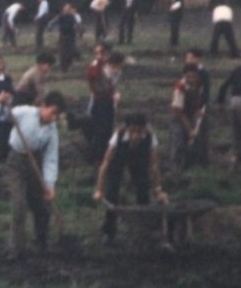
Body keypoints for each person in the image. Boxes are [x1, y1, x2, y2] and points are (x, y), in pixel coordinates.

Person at [0, 91, 66, 259]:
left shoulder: (52, 130)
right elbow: (1, 116)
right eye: (53, 112)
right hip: (16, 162)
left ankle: (42, 242)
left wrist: (49, 185)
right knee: (19, 206)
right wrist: (2, 104)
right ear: (44, 106)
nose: (54, 118)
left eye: (58, 115)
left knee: (41, 206)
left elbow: (51, 158)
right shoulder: (25, 112)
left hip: (36, 164)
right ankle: (16, 249)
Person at [93, 113, 168, 244]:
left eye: (139, 131)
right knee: (112, 193)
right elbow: (105, 163)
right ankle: (109, 232)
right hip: (118, 159)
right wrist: (99, 189)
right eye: (132, 131)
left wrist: (158, 189)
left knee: (143, 189)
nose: (135, 135)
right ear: (127, 129)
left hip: (139, 160)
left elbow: (154, 165)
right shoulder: (118, 136)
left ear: (145, 129)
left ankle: (144, 230)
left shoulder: (150, 137)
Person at [86, 44, 125, 165]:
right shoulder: (98, 68)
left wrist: (113, 93)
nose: (117, 68)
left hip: (107, 101)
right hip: (100, 101)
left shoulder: (113, 70)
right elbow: (97, 86)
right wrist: (112, 92)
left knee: (107, 128)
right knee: (100, 129)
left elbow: (111, 85)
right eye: (115, 66)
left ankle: (103, 154)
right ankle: (95, 156)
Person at [169, 64, 205, 172]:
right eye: (189, 77)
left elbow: (199, 100)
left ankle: (191, 166)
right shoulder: (180, 87)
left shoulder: (199, 84)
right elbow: (178, 111)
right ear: (184, 76)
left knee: (192, 141)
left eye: (194, 76)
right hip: (178, 117)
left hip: (190, 114)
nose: (191, 79)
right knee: (178, 142)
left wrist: (198, 110)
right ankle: (175, 167)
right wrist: (189, 129)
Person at [184, 48, 211, 166]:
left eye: (189, 58)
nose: (186, 60)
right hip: (191, 105)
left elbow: (205, 91)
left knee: (199, 130)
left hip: (199, 106)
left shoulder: (203, 73)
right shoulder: (188, 71)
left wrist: (201, 106)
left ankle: (201, 159)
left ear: (196, 59)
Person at [48, 3, 81, 73]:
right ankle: (63, 68)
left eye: (68, 9)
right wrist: (50, 27)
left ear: (70, 10)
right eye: (66, 9)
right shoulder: (61, 16)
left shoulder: (72, 17)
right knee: (63, 53)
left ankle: (68, 65)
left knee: (70, 52)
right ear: (63, 10)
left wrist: (78, 30)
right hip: (63, 37)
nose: (67, 10)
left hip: (71, 37)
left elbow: (76, 24)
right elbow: (53, 22)